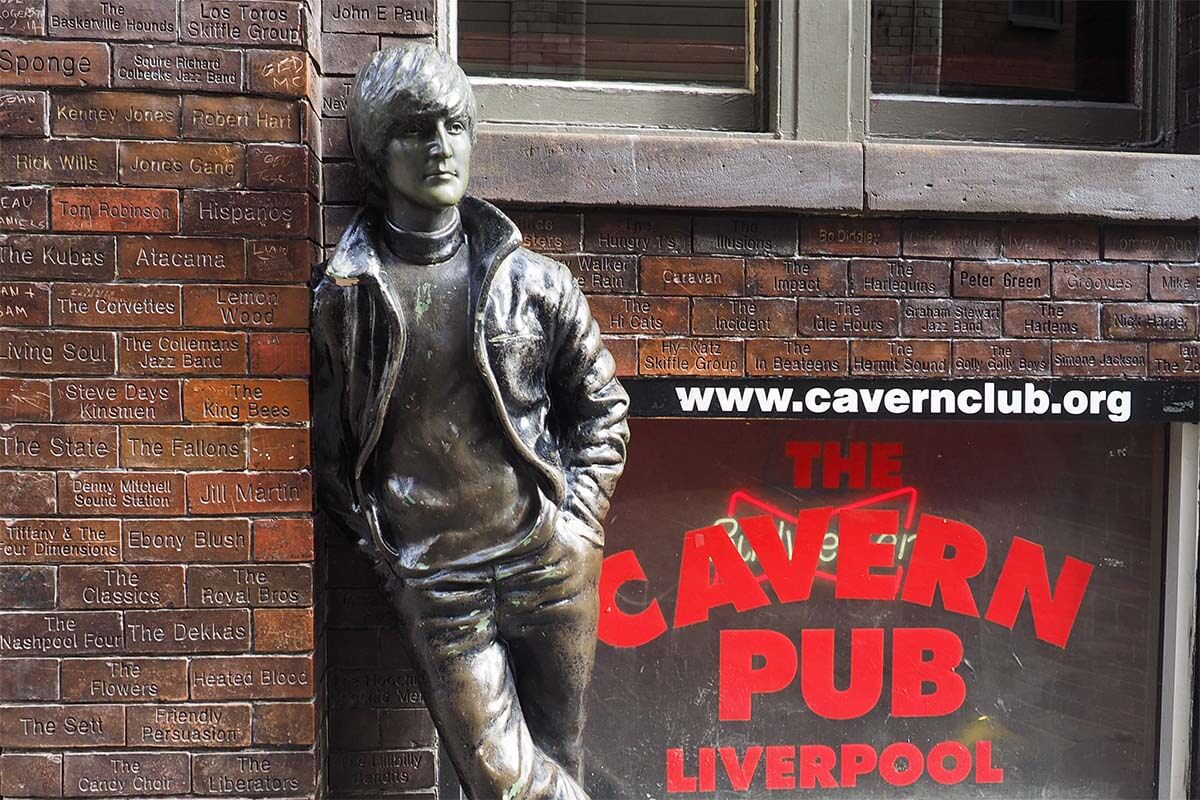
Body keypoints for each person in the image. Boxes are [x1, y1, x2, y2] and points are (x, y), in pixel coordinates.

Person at [311, 43, 629, 800]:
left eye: (453, 126)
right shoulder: (347, 297)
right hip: (439, 580)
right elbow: (330, 456)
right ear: (376, 152)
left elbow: (603, 411)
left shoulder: (536, 283)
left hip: (548, 558)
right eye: (415, 130)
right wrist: (392, 557)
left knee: (560, 756)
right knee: (506, 782)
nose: (439, 147)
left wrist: (578, 523)